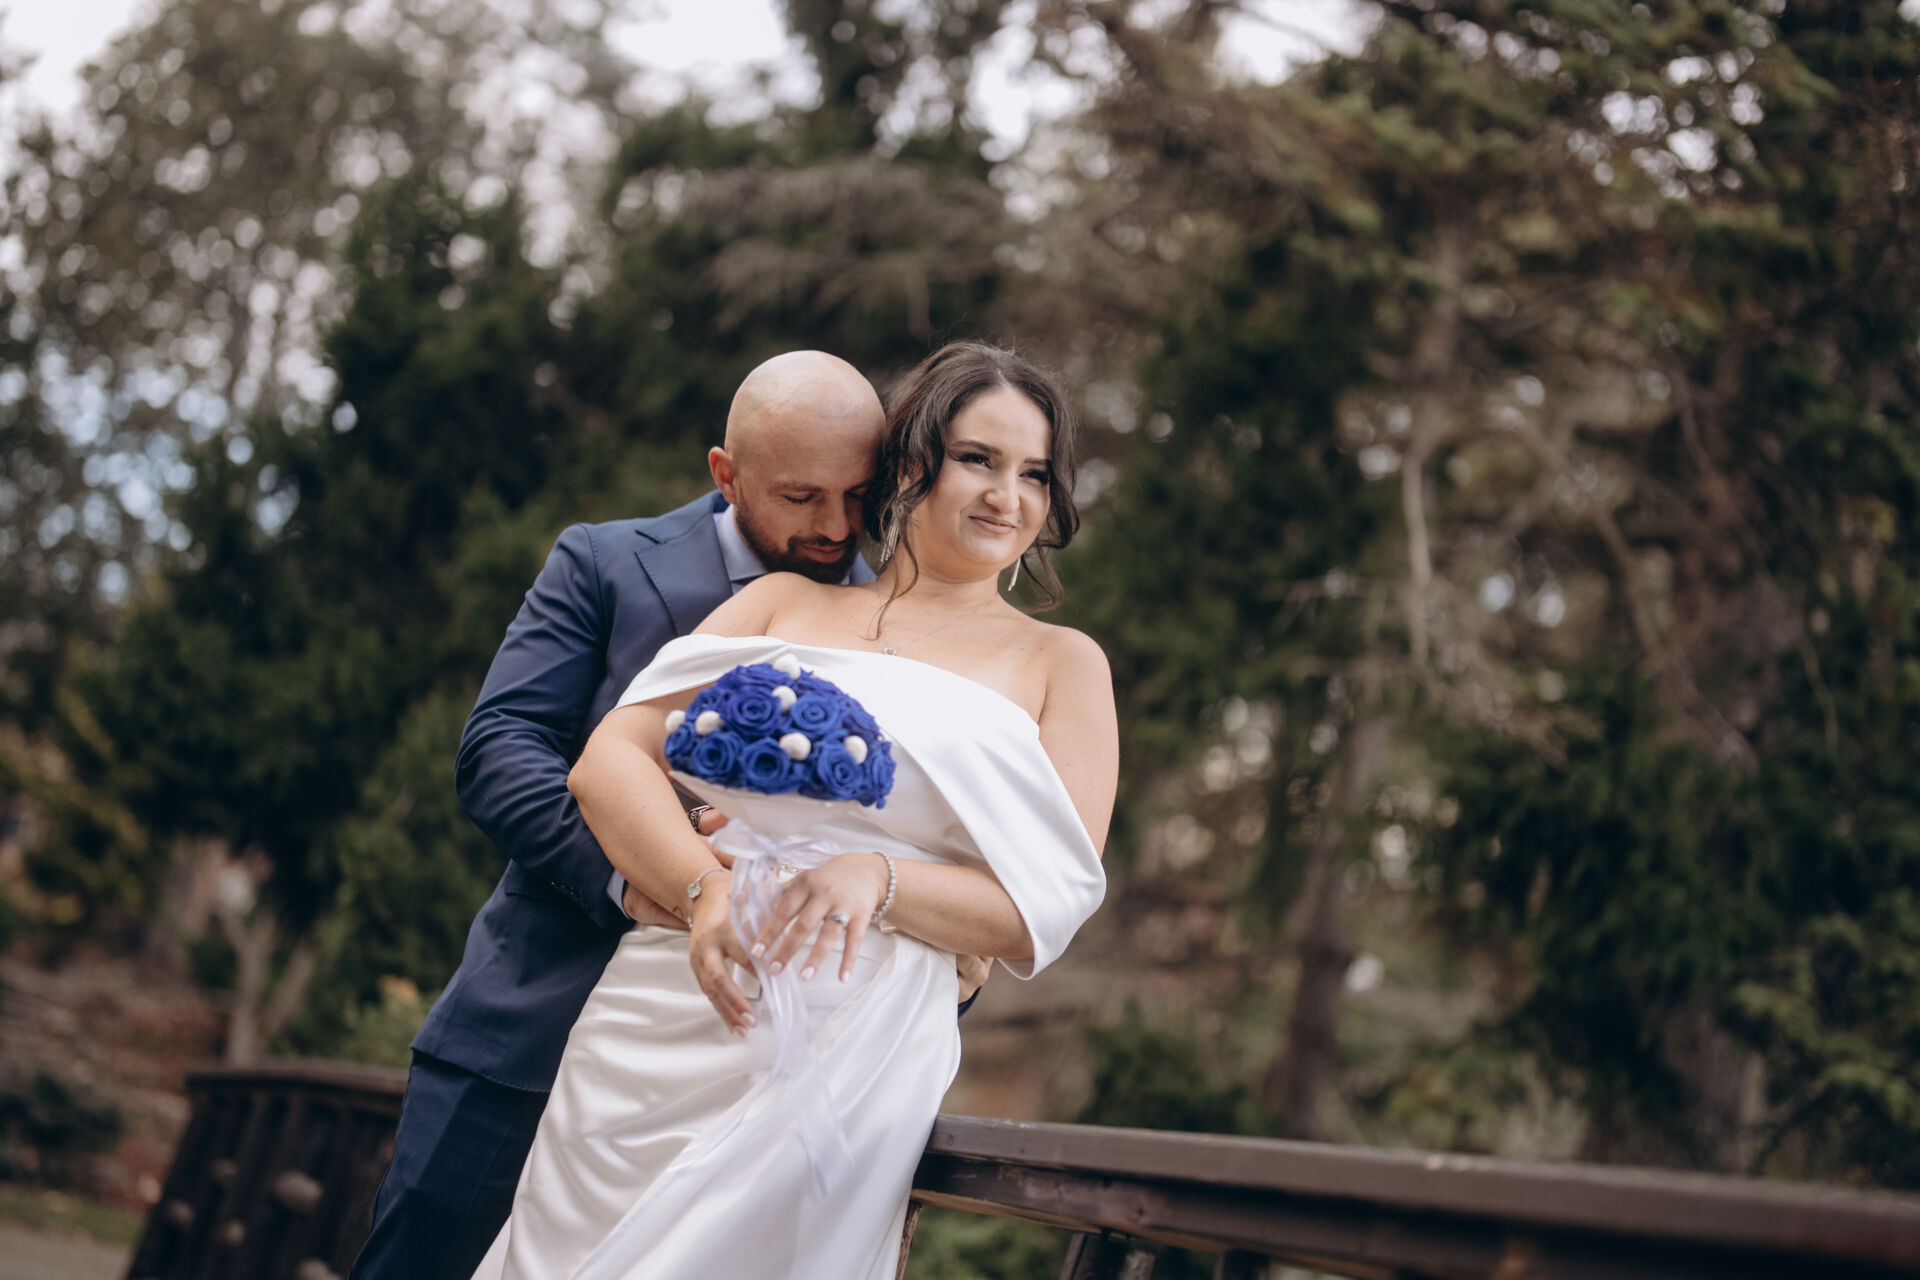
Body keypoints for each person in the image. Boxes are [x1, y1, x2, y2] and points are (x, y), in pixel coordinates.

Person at [470, 341, 1117, 1280]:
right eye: (979, 459)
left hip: (862, 1037)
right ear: (911, 465)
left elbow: (1045, 903)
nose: (1005, 496)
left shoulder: (1064, 664)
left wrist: (880, 878)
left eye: (1035, 474)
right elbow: (609, 761)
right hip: (669, 1005)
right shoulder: (783, 604)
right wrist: (700, 891)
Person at [352, 351, 991, 1280]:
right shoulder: (604, 562)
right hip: (534, 1023)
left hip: (743, 1081)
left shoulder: (888, 625)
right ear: (726, 475)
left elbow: (906, 837)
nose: (835, 527)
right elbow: (501, 751)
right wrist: (643, 880)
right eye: (801, 497)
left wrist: (937, 956)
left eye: (858, 496)